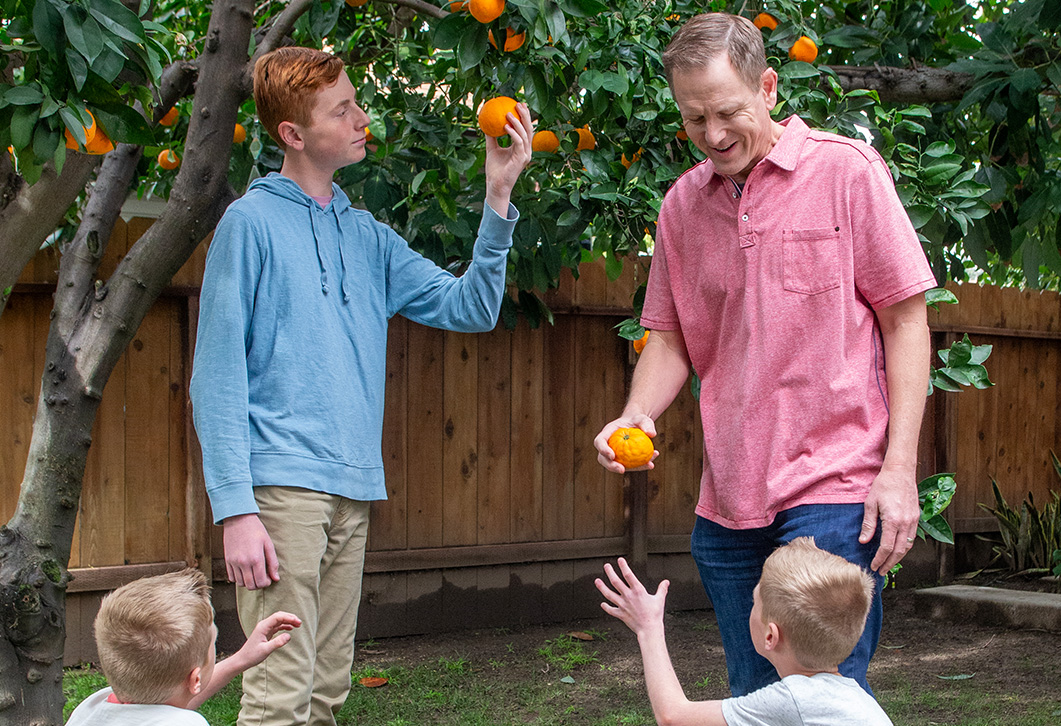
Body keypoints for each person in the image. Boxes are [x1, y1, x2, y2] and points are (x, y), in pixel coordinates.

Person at [593, 13, 936, 697]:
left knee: (823, 696)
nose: (713, 135)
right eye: (694, 119)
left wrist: (898, 470)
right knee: (757, 701)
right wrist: (635, 412)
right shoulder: (683, 206)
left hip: (835, 492)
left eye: (727, 112)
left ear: (769, 87)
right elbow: (669, 336)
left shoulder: (847, 172)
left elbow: (905, 321)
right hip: (729, 506)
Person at [190, 47, 532, 725]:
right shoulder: (250, 225)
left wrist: (499, 198)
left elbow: (471, 308)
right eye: (341, 109)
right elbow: (216, 376)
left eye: (355, 101)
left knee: (325, 694)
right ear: (293, 134)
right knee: (280, 696)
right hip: (280, 492)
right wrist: (235, 509)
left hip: (353, 489)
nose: (361, 117)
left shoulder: (368, 236)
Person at [595, 539, 892, 726]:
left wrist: (649, 628)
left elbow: (673, 717)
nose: (750, 608)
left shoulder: (794, 699)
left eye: (754, 602)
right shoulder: (853, 697)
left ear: (770, 636)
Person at [67, 569, 299, 726]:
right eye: (213, 643)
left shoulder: (90, 709)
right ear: (195, 678)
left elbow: (167, 701)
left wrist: (241, 659)